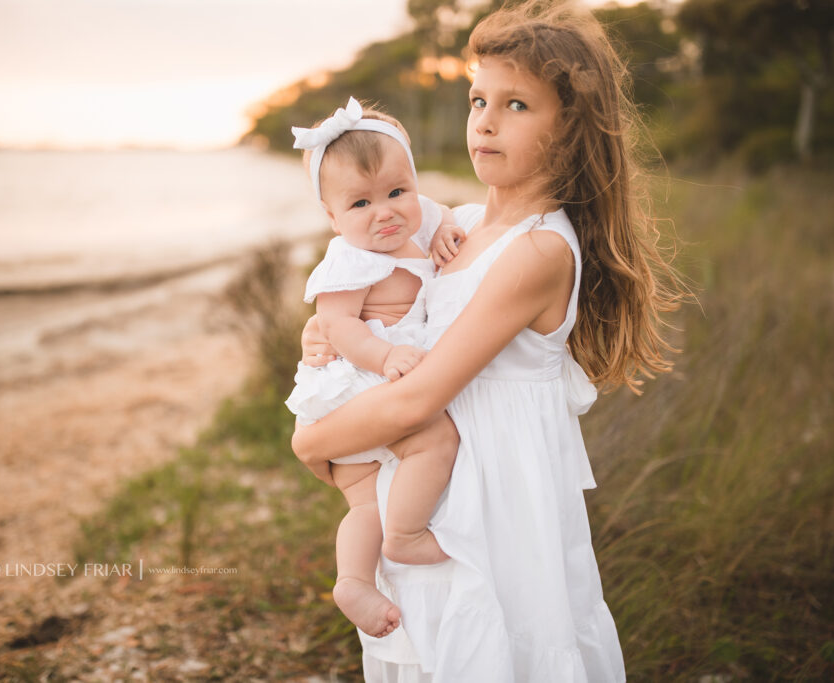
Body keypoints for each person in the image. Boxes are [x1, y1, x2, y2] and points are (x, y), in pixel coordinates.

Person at [292, 1, 687, 680]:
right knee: (434, 644)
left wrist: (311, 442)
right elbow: (395, 308)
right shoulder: (463, 224)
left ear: (570, 129)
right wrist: (326, 329)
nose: (485, 121)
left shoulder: (537, 250)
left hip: (498, 493)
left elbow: (418, 398)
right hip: (434, 486)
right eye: (479, 100)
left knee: (501, 644)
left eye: (516, 105)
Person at [284, 98, 466, 640]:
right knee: (434, 440)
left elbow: (440, 211)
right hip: (360, 382)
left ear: (414, 183)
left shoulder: (417, 218)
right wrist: (385, 357)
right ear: (332, 217)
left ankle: (354, 581)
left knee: (364, 502)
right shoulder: (350, 258)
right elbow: (337, 326)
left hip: (377, 385)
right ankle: (404, 537)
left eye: (396, 192)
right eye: (360, 202)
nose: (385, 212)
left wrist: (444, 227)